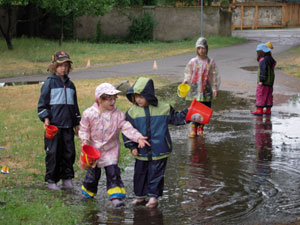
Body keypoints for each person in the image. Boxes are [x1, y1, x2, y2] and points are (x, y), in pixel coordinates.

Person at [79, 83, 150, 208]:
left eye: (114, 98)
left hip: (111, 149)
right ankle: (88, 192)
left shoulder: (117, 114)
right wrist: (84, 140)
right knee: (93, 174)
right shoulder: (89, 114)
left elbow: (126, 127)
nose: (113, 102)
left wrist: (138, 137)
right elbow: (84, 129)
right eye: (109, 99)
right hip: (93, 149)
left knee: (113, 172)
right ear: (100, 99)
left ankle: (116, 196)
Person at [122, 77, 188, 208]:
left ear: (149, 95)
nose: (138, 100)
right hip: (142, 150)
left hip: (160, 149)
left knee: (156, 174)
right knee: (140, 174)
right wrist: (131, 145)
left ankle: (153, 197)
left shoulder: (164, 108)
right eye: (135, 96)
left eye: (141, 96)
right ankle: (140, 196)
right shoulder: (132, 112)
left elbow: (177, 119)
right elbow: (127, 130)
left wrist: (190, 112)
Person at [37, 50, 81, 191]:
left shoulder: (71, 85)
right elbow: (42, 105)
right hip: (54, 126)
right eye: (60, 65)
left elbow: (74, 106)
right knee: (53, 153)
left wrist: (76, 123)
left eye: (66, 65)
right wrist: (46, 118)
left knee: (69, 152)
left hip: (68, 125)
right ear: (54, 66)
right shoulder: (49, 84)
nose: (63, 68)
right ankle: (52, 180)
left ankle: (67, 179)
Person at [182, 37, 220, 137]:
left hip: (206, 91)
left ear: (206, 49)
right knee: (195, 109)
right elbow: (188, 73)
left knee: (205, 109)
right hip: (196, 91)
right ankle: (194, 129)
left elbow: (214, 76)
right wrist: (186, 80)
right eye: (199, 48)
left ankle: (201, 128)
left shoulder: (210, 62)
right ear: (196, 49)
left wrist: (215, 88)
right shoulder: (193, 62)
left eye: (203, 48)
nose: (201, 51)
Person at [251, 43, 276, 115]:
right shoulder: (271, 59)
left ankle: (259, 110)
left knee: (260, 95)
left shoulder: (263, 60)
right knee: (268, 95)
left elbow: (263, 71)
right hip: (270, 82)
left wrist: (261, 80)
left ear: (261, 52)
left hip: (264, 82)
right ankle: (268, 110)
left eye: (258, 52)